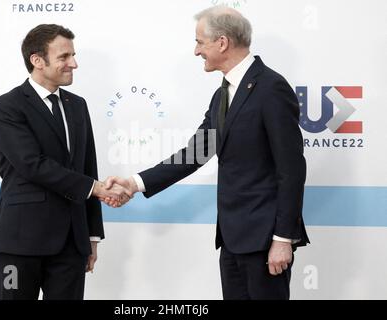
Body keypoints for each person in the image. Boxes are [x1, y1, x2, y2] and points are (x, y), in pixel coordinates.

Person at [104, 6, 309, 300]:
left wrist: (282, 238)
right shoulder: (222, 94)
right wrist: (134, 184)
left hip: (265, 240)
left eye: (200, 42)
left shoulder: (271, 88)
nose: (196, 51)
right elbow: (195, 153)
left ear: (222, 42)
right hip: (232, 239)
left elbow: (291, 170)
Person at [0, 24, 131, 300]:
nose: (73, 64)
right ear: (37, 61)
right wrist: (98, 188)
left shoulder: (78, 105)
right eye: (64, 57)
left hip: (71, 244)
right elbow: (31, 164)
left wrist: (91, 236)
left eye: (73, 55)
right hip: (20, 241)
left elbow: (88, 168)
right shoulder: (6, 106)